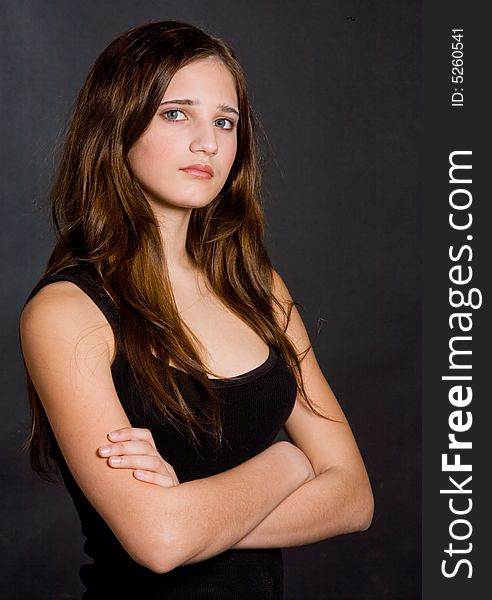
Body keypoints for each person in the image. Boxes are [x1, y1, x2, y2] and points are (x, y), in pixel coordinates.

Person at [19, 19, 373, 599]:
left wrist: (188, 510)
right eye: (176, 113)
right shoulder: (67, 312)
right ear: (118, 125)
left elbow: (354, 498)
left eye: (225, 121)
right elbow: (158, 543)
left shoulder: (260, 288)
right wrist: (288, 462)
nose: (207, 142)